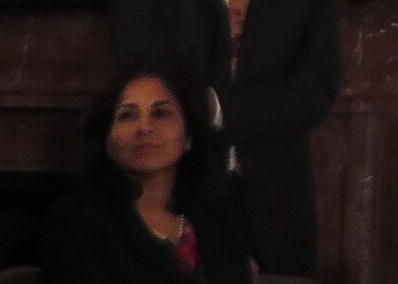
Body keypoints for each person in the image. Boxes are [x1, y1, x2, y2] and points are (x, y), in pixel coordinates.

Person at [108, 0, 341, 275]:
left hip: (278, 202)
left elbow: (315, 90)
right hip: (176, 197)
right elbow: (149, 84)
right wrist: (222, 107)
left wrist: (211, 105)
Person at [41, 65, 252, 284]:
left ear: (188, 137)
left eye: (161, 113)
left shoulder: (219, 219)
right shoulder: (76, 222)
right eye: (127, 116)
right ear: (106, 140)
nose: (144, 127)